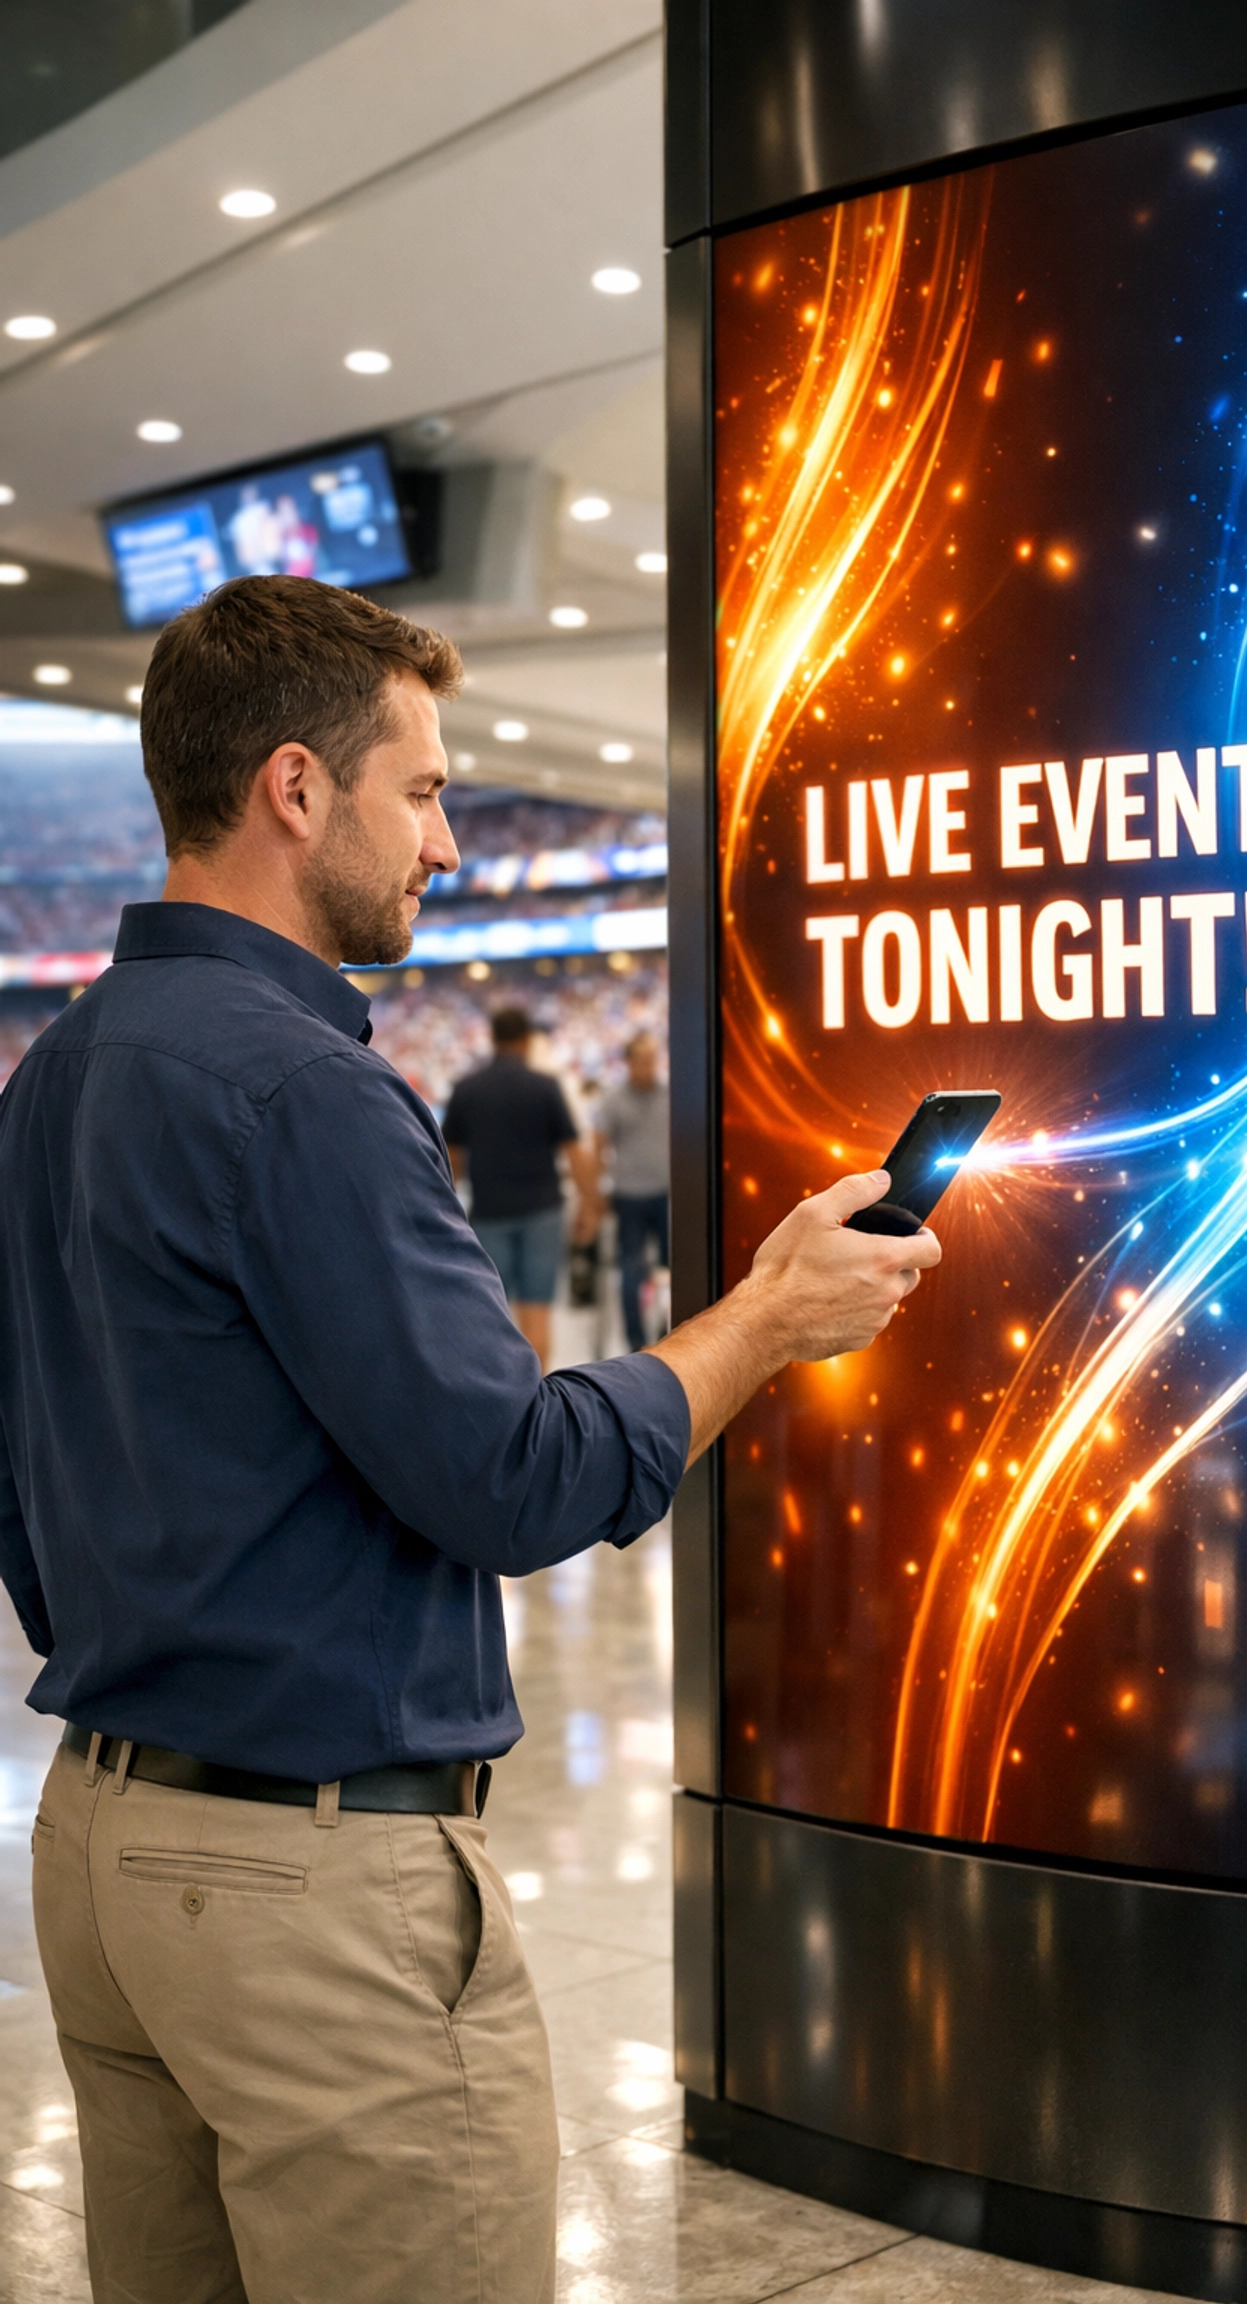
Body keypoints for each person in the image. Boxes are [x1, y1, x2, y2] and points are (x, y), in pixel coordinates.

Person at [0, 573, 940, 2304]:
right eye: (422, 790)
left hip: (106, 1852)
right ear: (298, 786)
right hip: (307, 1881)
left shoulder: (62, 1067)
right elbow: (512, 1473)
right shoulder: (304, 1086)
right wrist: (767, 1313)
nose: (448, 842)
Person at [442, 1007, 600, 1372]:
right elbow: (575, 1151)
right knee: (537, 1312)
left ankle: (503, 1403)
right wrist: (589, 1206)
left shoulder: (467, 1090)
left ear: (492, 1039)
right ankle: (536, 1399)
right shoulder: (544, 1087)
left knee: (492, 1313)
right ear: (527, 1039)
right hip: (542, 1210)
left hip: (490, 1212)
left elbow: (450, 1160)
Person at [594, 1030, 670, 1352]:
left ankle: (670, 1332)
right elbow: (599, 1145)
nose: (648, 1066)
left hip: (667, 1193)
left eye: (653, 1059)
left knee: (673, 1267)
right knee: (631, 1268)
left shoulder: (670, 1094)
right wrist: (599, 1191)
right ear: (629, 1063)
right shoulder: (614, 1100)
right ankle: (636, 1342)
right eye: (642, 1060)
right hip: (629, 1195)